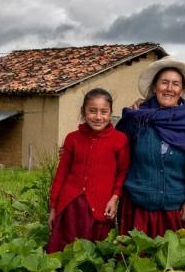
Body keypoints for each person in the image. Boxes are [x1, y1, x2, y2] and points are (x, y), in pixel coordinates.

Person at [117, 57, 185, 237]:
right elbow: (117, 157)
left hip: (176, 213)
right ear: (154, 87)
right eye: (164, 83)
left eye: (175, 84)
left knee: (175, 263)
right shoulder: (136, 119)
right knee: (136, 262)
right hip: (137, 210)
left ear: (181, 90)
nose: (169, 89)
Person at [47, 88, 130, 252]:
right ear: (83, 111)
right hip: (70, 206)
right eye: (92, 111)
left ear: (110, 112)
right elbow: (61, 174)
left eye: (104, 112)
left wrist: (114, 198)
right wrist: (53, 208)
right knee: (65, 251)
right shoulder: (73, 138)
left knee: (96, 253)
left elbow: (123, 173)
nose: (98, 117)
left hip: (100, 208)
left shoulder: (119, 140)